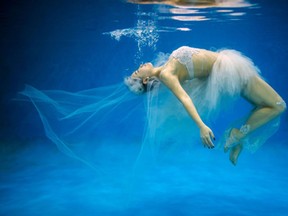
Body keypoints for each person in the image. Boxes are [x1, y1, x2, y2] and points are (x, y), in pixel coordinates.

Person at [124, 46, 286, 165]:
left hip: (227, 67)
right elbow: (185, 98)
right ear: (145, 80)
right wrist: (201, 126)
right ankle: (238, 136)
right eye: (137, 72)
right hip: (229, 71)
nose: (139, 67)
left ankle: (239, 139)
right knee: (278, 105)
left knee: (265, 105)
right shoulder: (167, 75)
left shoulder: (165, 67)